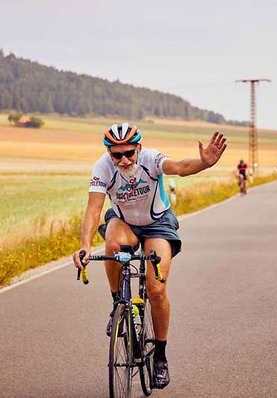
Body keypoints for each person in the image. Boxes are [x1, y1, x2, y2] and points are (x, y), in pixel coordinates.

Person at [72, 122, 227, 389]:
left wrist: (204, 164)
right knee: (112, 246)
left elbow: (179, 167)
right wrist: (85, 244)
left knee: (156, 291)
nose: (123, 160)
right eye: (116, 155)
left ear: (138, 148)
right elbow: (93, 209)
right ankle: (117, 303)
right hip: (124, 222)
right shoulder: (102, 168)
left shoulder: (151, 158)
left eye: (128, 153)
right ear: (109, 153)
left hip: (157, 222)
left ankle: (161, 358)